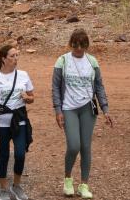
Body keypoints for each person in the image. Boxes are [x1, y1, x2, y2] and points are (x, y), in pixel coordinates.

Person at [52, 29, 114, 199]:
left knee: (86, 147)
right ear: (71, 44)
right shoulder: (62, 61)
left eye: (82, 45)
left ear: (87, 45)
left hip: (88, 108)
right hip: (69, 107)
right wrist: (58, 110)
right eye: (75, 44)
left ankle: (84, 185)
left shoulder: (92, 61)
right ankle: (67, 179)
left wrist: (105, 109)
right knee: (74, 145)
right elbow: (56, 88)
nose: (78, 48)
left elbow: (99, 86)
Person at [0, 46, 34, 200]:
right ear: (3, 58)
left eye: (17, 55)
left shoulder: (23, 75)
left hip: (19, 119)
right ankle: (3, 189)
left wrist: (27, 98)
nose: (16, 58)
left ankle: (16, 186)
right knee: (4, 155)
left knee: (20, 154)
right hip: (2, 123)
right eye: (13, 56)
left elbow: (32, 97)